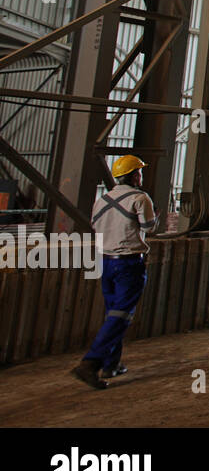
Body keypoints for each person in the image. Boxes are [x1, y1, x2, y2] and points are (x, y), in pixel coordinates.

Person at [71, 155, 157, 390]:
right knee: (122, 315)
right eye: (139, 172)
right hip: (129, 263)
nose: (141, 176)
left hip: (106, 262)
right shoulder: (140, 198)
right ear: (134, 175)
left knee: (114, 313)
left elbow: (95, 225)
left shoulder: (102, 200)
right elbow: (150, 227)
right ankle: (90, 363)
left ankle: (111, 364)